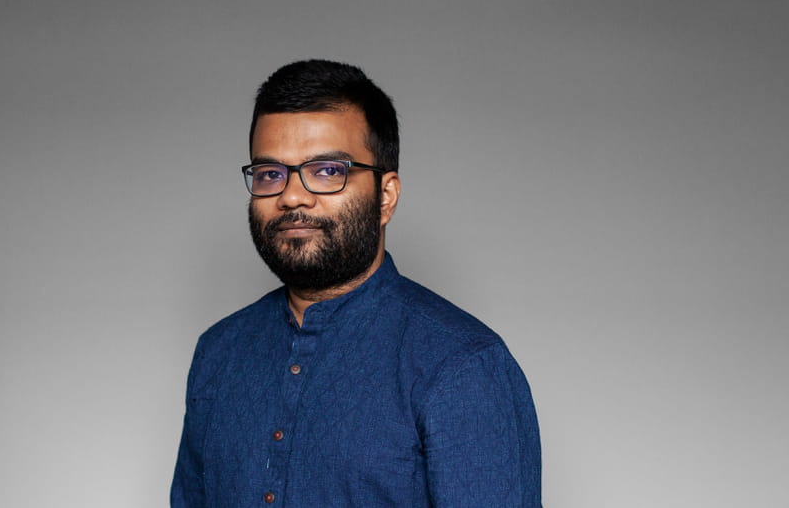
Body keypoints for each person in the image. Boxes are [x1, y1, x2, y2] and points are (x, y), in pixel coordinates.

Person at [171, 59, 541, 507]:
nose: (291, 195)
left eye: (327, 170)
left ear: (385, 196)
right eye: (270, 173)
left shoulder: (462, 367)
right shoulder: (220, 351)